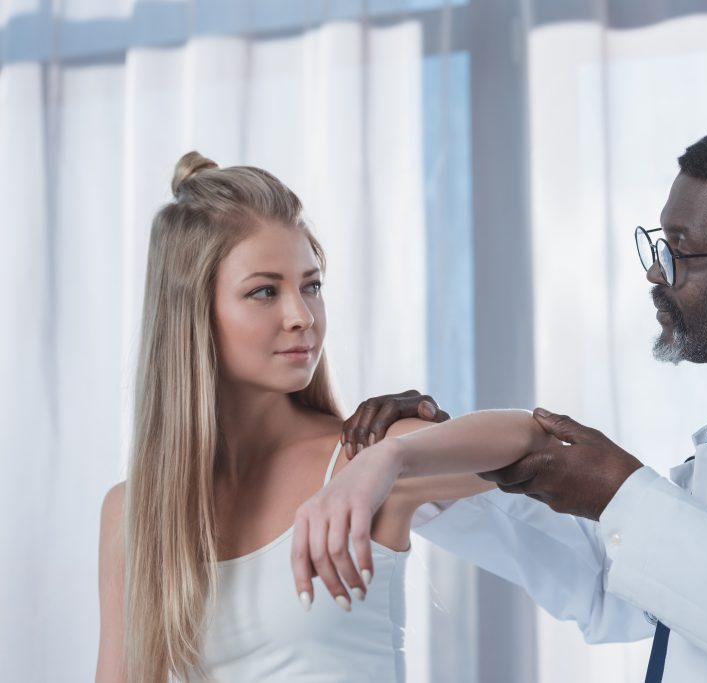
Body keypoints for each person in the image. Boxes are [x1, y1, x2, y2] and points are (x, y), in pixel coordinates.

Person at [298, 123, 707, 682]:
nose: (655, 272)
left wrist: (624, 494)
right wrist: (436, 468)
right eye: (657, 245)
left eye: (680, 252)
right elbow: (611, 582)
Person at [95, 152, 525, 682]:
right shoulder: (132, 512)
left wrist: (388, 458)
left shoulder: (365, 460)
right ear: (193, 313)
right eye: (264, 291)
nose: (301, 316)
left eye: (311, 285)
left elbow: (532, 442)